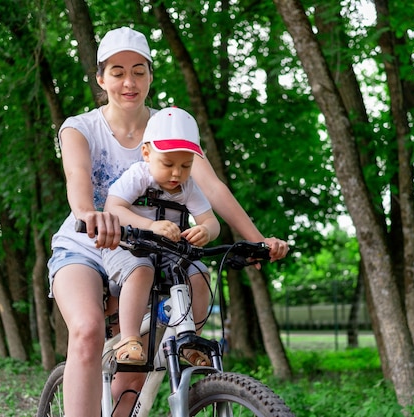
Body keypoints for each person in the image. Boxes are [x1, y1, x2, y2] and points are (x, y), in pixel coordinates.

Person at [47, 26, 289, 417]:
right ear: (100, 77)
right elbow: (78, 182)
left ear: (151, 75)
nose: (129, 82)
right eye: (118, 71)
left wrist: (257, 241)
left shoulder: (171, 126)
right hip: (87, 247)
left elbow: (214, 190)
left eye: (139, 71)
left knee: (147, 349)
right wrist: (91, 216)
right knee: (88, 331)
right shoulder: (81, 127)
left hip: (151, 252)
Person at [102, 106, 220, 366]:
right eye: (168, 164)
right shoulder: (138, 176)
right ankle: (129, 338)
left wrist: (206, 231)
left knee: (200, 273)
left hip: (169, 254)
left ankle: (190, 343)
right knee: (141, 269)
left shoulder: (188, 187)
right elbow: (113, 209)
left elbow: (211, 221)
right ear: (146, 153)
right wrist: (150, 225)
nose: (177, 173)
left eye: (186, 165)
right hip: (128, 249)